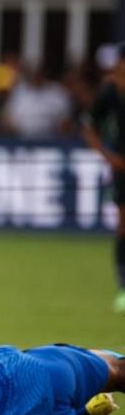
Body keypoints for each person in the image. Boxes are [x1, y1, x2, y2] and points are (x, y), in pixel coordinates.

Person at [84, 44, 125, 314]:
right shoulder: (110, 92)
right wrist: (108, 156)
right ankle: (123, 287)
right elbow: (90, 126)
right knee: (124, 226)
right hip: (123, 168)